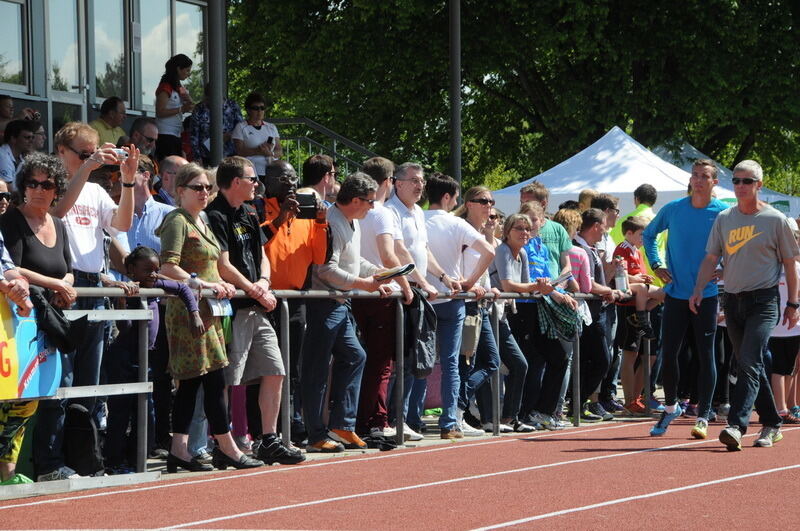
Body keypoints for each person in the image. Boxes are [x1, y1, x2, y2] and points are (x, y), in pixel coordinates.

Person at [157, 162, 262, 471]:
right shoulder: (177, 221)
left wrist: (222, 284)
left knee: (201, 382)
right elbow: (168, 267)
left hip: (210, 311)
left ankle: (181, 448)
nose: (205, 192)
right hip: (189, 312)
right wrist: (206, 284)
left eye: (208, 187)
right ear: (180, 191)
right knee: (208, 380)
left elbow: (213, 263)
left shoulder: (201, 220)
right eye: (197, 187)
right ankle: (226, 446)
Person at [691, 160, 800, 451]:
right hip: (733, 300)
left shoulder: (776, 219)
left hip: (764, 301)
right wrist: (699, 289)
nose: (740, 186)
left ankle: (736, 426)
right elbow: (711, 258)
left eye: (747, 181)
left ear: (758, 185)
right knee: (753, 364)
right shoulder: (725, 218)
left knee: (748, 361)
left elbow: (790, 263)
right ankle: (771, 423)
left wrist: (793, 303)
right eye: (736, 181)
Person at [205, 156, 304, 465]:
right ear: (235, 182)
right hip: (232, 309)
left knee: (275, 371)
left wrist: (262, 281)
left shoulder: (249, 210)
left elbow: (261, 251)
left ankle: (268, 439)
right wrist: (253, 289)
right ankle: (223, 442)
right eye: (252, 179)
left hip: (256, 306)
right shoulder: (215, 215)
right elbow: (223, 265)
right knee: (229, 379)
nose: (257, 185)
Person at [300, 173, 392, 452]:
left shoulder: (352, 221)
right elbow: (326, 270)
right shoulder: (329, 221)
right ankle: (314, 434)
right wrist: (365, 283)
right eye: (369, 202)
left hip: (340, 303)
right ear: (355, 200)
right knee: (316, 369)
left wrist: (377, 273)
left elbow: (353, 261)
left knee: (355, 356)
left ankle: (342, 425)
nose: (372, 207)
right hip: (323, 303)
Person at [642, 159, 728, 438]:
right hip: (676, 293)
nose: (699, 180)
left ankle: (703, 415)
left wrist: (724, 268)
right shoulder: (674, 209)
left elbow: (738, 246)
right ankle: (670, 408)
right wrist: (656, 265)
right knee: (668, 355)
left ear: (714, 182)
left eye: (705, 176)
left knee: (706, 355)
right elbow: (648, 234)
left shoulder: (723, 213)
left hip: (707, 294)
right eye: (695, 175)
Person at [1, 153, 68, 483]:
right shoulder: (11, 220)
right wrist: (52, 283)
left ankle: (9, 470)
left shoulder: (58, 224)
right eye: (33, 183)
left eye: (48, 184)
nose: (40, 189)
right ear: (23, 187)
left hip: (44, 325)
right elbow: (11, 270)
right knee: (8, 398)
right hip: (12, 325)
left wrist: (65, 284)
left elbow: (68, 270)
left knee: (28, 401)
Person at [104, 246, 200, 473]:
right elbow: (124, 328)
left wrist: (194, 313)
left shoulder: (155, 284)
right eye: (147, 270)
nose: (153, 274)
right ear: (131, 270)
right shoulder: (126, 288)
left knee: (145, 411)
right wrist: (122, 303)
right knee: (120, 410)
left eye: (156, 270)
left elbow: (183, 289)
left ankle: (137, 460)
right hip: (124, 358)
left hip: (147, 358)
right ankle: (113, 461)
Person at [261, 160, 329, 443]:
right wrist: (279, 219)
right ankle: (267, 429)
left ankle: (293, 421)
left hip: (296, 300)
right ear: (269, 180)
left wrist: (322, 221)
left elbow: (320, 257)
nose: (289, 183)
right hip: (265, 299)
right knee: (268, 369)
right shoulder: (257, 206)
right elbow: (258, 244)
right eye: (283, 178)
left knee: (293, 367)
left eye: (293, 178)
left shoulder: (305, 212)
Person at [424, 175, 495, 437]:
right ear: (447, 197)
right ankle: (448, 422)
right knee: (450, 362)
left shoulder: (415, 218)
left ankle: (410, 419)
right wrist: (467, 282)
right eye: (455, 198)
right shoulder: (455, 223)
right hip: (452, 299)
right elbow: (489, 252)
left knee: (423, 361)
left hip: (426, 296)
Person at [351, 157, 416, 439]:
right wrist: (407, 285)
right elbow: (389, 255)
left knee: (358, 360)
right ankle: (375, 420)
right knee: (381, 362)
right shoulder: (381, 212)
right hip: (380, 293)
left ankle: (358, 419)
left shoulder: (352, 211)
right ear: (388, 182)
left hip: (356, 289)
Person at [494, 210, 577, 430]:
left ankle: (535, 412)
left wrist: (545, 288)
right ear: (507, 231)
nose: (524, 232)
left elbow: (528, 287)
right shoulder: (502, 250)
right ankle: (513, 414)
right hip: (509, 312)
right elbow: (509, 286)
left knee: (550, 358)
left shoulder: (522, 253)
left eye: (527, 228)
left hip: (530, 309)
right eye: (519, 228)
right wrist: (541, 288)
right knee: (519, 363)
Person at [457, 186, 526, 433]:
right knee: (470, 362)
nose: (489, 207)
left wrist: (487, 287)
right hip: (466, 304)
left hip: (482, 305)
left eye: (492, 202)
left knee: (490, 362)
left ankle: (460, 408)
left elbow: (482, 270)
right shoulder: (463, 229)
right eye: (484, 201)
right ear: (469, 204)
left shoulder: (480, 233)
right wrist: (472, 285)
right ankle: (458, 410)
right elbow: (459, 267)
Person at [574, 208, 624, 422]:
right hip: (587, 313)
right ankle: (578, 402)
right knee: (600, 359)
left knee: (597, 359)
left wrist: (610, 276)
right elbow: (587, 283)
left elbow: (596, 280)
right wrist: (608, 291)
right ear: (596, 226)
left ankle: (582, 403)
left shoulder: (589, 248)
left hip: (597, 310)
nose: (605, 231)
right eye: (604, 226)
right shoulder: (579, 248)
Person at [613, 216, 664, 414]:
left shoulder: (638, 252)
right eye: (642, 234)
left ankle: (637, 395)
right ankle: (629, 400)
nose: (644, 238)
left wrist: (644, 278)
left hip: (639, 302)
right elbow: (618, 274)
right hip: (628, 304)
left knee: (649, 355)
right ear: (629, 233)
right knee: (631, 353)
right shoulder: (622, 249)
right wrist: (637, 278)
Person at [519, 182, 572, 280]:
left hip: (554, 287)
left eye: (527, 202)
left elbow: (567, 265)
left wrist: (558, 284)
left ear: (543, 203)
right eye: (521, 202)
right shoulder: (517, 229)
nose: (523, 206)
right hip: (528, 288)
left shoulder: (558, 229)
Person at [190, 84, 243, 166]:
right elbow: (194, 135)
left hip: (230, 154)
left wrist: (228, 136)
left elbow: (240, 128)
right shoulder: (199, 109)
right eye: (208, 99)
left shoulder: (232, 106)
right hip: (206, 156)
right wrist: (197, 157)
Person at [232, 93, 281, 178]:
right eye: (255, 108)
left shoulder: (271, 127)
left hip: (272, 171)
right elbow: (239, 151)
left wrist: (270, 153)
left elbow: (279, 151)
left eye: (262, 108)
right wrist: (258, 151)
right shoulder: (241, 127)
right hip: (252, 171)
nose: (259, 111)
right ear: (248, 110)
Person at [155, 54, 194, 161]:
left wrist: (188, 98)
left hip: (176, 134)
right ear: (178, 69)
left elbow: (191, 106)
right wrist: (181, 109)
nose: (188, 74)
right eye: (187, 70)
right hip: (165, 134)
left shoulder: (178, 86)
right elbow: (160, 111)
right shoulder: (165, 86)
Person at [0, 119, 38, 190]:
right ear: (13, 138)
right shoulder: (2, 156)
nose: (31, 141)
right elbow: (10, 190)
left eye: (33, 137)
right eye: (27, 137)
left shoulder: (22, 157)